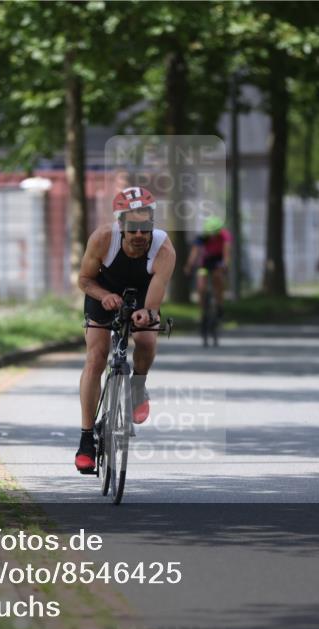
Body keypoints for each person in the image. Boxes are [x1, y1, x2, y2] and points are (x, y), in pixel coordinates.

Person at [74, 186, 176, 472]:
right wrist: (104, 295)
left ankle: (138, 388)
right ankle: (86, 440)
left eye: (145, 228)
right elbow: (84, 279)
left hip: (142, 293)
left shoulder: (164, 249)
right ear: (121, 225)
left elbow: (155, 295)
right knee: (96, 358)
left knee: (146, 340)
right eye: (133, 229)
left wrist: (147, 313)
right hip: (102, 292)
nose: (140, 235)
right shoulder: (102, 239)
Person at [184, 216, 232, 317]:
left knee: (217, 279)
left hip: (218, 260)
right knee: (201, 286)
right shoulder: (202, 236)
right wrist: (189, 266)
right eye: (211, 234)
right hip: (205, 261)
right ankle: (202, 311)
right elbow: (194, 252)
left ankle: (219, 305)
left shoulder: (225, 235)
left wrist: (225, 265)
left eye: (215, 234)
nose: (213, 236)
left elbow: (226, 253)